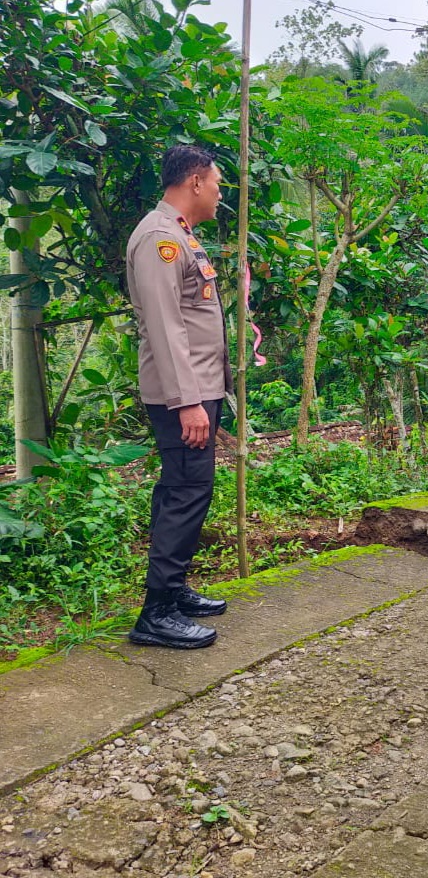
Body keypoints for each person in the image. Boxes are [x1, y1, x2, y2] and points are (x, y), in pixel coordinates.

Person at [125, 145, 232, 650]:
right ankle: (157, 612)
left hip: (196, 389)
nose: (218, 193)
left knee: (185, 488)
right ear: (194, 182)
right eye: (215, 184)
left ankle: (173, 589)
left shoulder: (182, 237)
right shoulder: (160, 240)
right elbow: (167, 328)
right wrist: (188, 401)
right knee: (188, 491)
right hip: (181, 396)